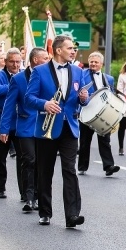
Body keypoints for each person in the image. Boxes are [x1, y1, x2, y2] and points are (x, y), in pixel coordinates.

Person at [25, 36, 85, 227]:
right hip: (47, 127)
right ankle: (45, 212)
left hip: (69, 127)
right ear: (58, 50)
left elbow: (81, 100)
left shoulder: (78, 71)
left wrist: (84, 98)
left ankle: (72, 215)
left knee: (70, 170)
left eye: (74, 48)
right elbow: (29, 98)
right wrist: (45, 104)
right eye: (70, 48)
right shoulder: (39, 71)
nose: (73, 51)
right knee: (45, 171)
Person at [1, 47, 49, 212]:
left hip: (44, 126)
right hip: (26, 126)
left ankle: (38, 195)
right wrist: (4, 129)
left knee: (41, 163)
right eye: (45, 58)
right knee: (29, 160)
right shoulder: (18, 79)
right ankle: (29, 197)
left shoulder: (49, 76)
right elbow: (9, 105)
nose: (48, 61)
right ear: (35, 60)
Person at [77, 51, 120, 176]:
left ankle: (108, 166)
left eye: (96, 62)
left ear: (101, 63)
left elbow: (111, 94)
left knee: (105, 141)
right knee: (85, 141)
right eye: (91, 62)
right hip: (87, 113)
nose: (93, 64)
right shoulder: (82, 74)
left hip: (103, 114)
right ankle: (82, 166)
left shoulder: (109, 78)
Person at [0, 48, 22, 198]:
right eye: (12, 62)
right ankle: (0, 188)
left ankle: (24, 192)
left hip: (19, 122)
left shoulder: (24, 74)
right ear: (6, 62)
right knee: (0, 158)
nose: (15, 65)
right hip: (1, 121)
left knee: (23, 159)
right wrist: (16, 85)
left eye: (18, 62)